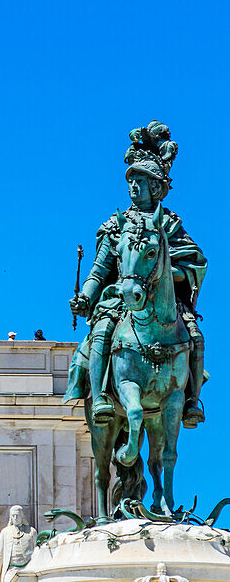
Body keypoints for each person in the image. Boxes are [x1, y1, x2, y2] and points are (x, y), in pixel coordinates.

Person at [65, 121, 207, 427]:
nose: (133, 187)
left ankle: (193, 400)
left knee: (194, 335)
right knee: (102, 332)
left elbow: (195, 263)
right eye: (131, 181)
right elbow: (100, 268)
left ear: (155, 187)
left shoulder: (169, 227)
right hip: (120, 298)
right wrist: (85, 296)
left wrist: (164, 275)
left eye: (140, 181)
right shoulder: (114, 226)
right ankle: (101, 395)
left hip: (162, 302)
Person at [0, 506, 36, 582]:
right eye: (13, 516)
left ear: (22, 516)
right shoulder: (5, 532)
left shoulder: (31, 531)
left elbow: (37, 551)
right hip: (11, 570)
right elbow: (0, 554)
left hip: (27, 569)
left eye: (17, 515)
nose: (15, 518)